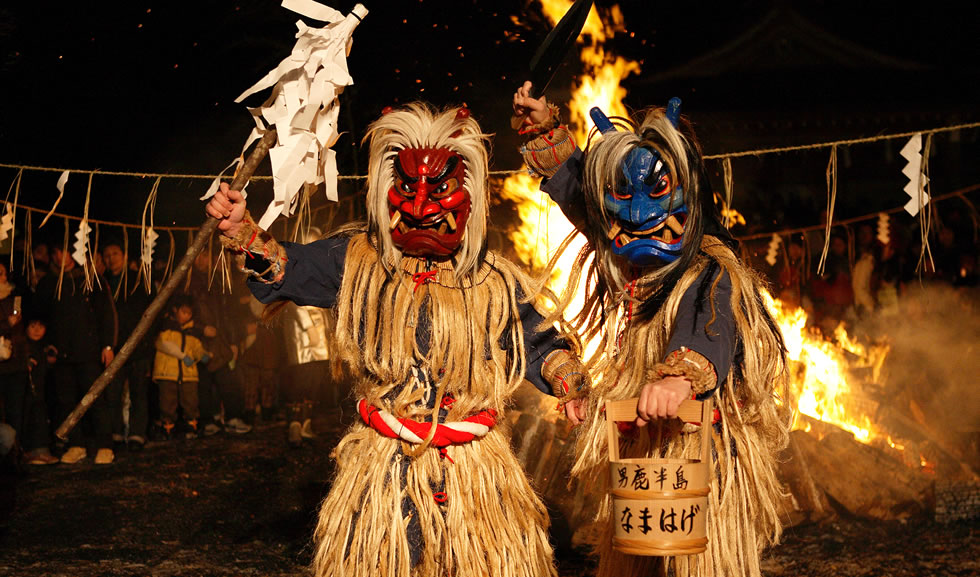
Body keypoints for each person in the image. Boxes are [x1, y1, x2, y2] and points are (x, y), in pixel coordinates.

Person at [207, 102, 586, 577]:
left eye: (441, 189)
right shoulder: (358, 261)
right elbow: (285, 267)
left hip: (474, 471)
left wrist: (572, 385)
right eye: (407, 188)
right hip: (386, 467)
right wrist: (241, 229)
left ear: (468, 194)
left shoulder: (492, 282)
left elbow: (538, 343)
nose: (423, 206)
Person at [513, 82, 790, 577]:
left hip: (700, 448)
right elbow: (592, 202)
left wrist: (681, 376)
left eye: (657, 192)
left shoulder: (712, 268)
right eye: (623, 197)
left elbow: (714, 319)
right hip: (642, 451)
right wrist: (548, 133)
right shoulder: (629, 257)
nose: (639, 214)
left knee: (697, 564)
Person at [33, 245, 118, 465]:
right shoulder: (49, 283)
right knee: (66, 401)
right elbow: (42, 317)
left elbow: (106, 314)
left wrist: (107, 346)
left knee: (95, 399)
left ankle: (105, 445)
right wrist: (47, 345)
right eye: (57, 252)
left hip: (89, 351)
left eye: (65, 251)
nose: (61, 256)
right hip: (61, 355)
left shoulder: (90, 280)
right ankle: (76, 444)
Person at [152, 295, 209, 440]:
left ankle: (192, 425)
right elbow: (163, 344)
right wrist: (183, 356)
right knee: (167, 402)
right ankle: (167, 427)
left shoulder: (192, 331)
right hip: (167, 372)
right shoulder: (166, 326)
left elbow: (196, 347)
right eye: (184, 312)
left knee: (190, 401)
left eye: (189, 313)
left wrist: (202, 355)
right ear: (175, 310)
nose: (186, 316)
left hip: (188, 374)